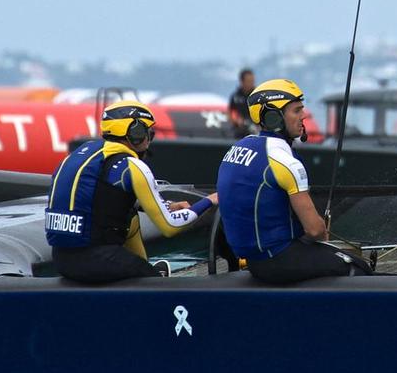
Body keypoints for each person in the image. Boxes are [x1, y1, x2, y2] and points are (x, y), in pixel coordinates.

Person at [216, 78, 373, 283]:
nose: (303, 116)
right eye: (296, 111)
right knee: (358, 267)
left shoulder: (238, 148)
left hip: (254, 261)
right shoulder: (283, 160)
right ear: (273, 117)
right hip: (278, 260)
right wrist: (319, 228)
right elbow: (315, 231)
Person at [45, 100, 218, 282]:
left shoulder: (84, 152)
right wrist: (208, 202)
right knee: (153, 282)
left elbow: (103, 200)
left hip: (60, 259)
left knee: (131, 215)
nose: (149, 141)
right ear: (136, 133)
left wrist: (169, 205)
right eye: (148, 133)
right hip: (95, 260)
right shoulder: (132, 165)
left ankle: (142, 266)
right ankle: (147, 274)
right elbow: (170, 227)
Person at [228, 68, 256, 138]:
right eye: (248, 81)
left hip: (255, 129)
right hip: (239, 131)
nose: (251, 83)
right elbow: (231, 112)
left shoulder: (257, 95)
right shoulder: (235, 96)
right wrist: (237, 120)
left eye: (252, 81)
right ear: (242, 81)